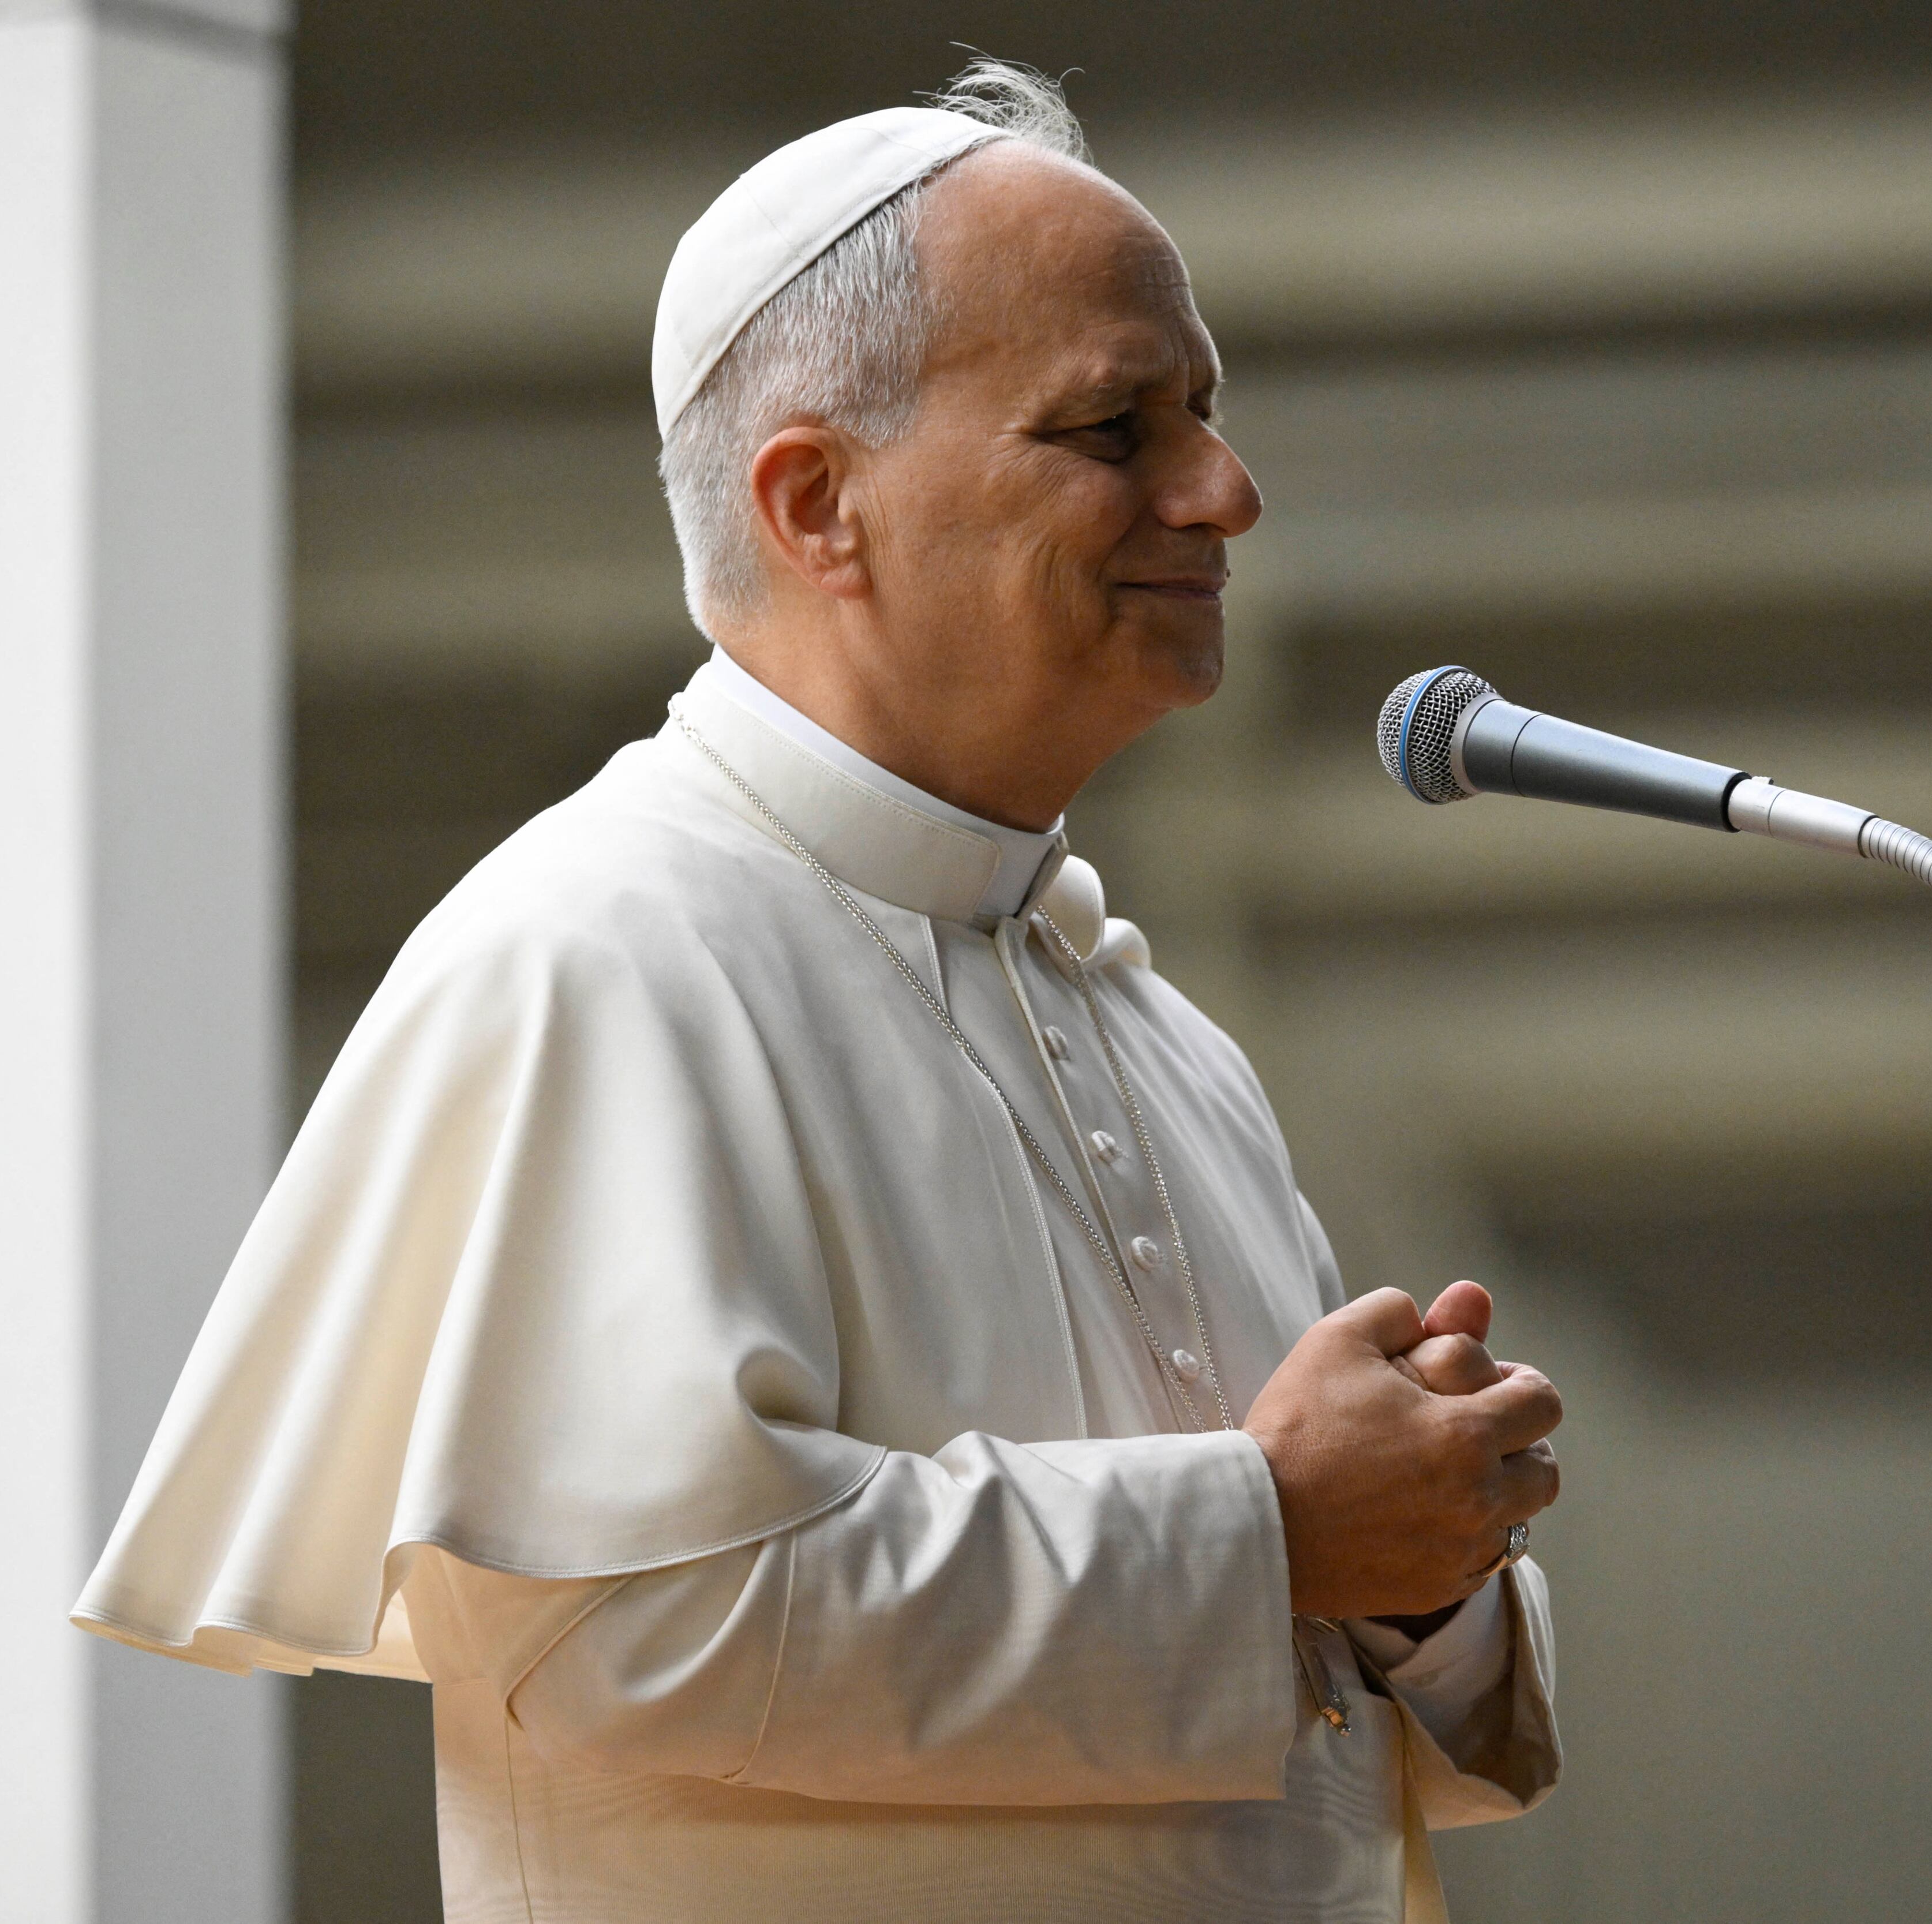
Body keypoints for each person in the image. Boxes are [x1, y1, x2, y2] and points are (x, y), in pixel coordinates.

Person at [75, 59, 1562, 1924]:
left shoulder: (1158, 1033)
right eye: (1116, 427)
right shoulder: (596, 951)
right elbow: (634, 1628)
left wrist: (1415, 1567)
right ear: (816, 503)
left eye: (1208, 412)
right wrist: (1263, 1529)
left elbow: (1309, 1725)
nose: (1227, 490)